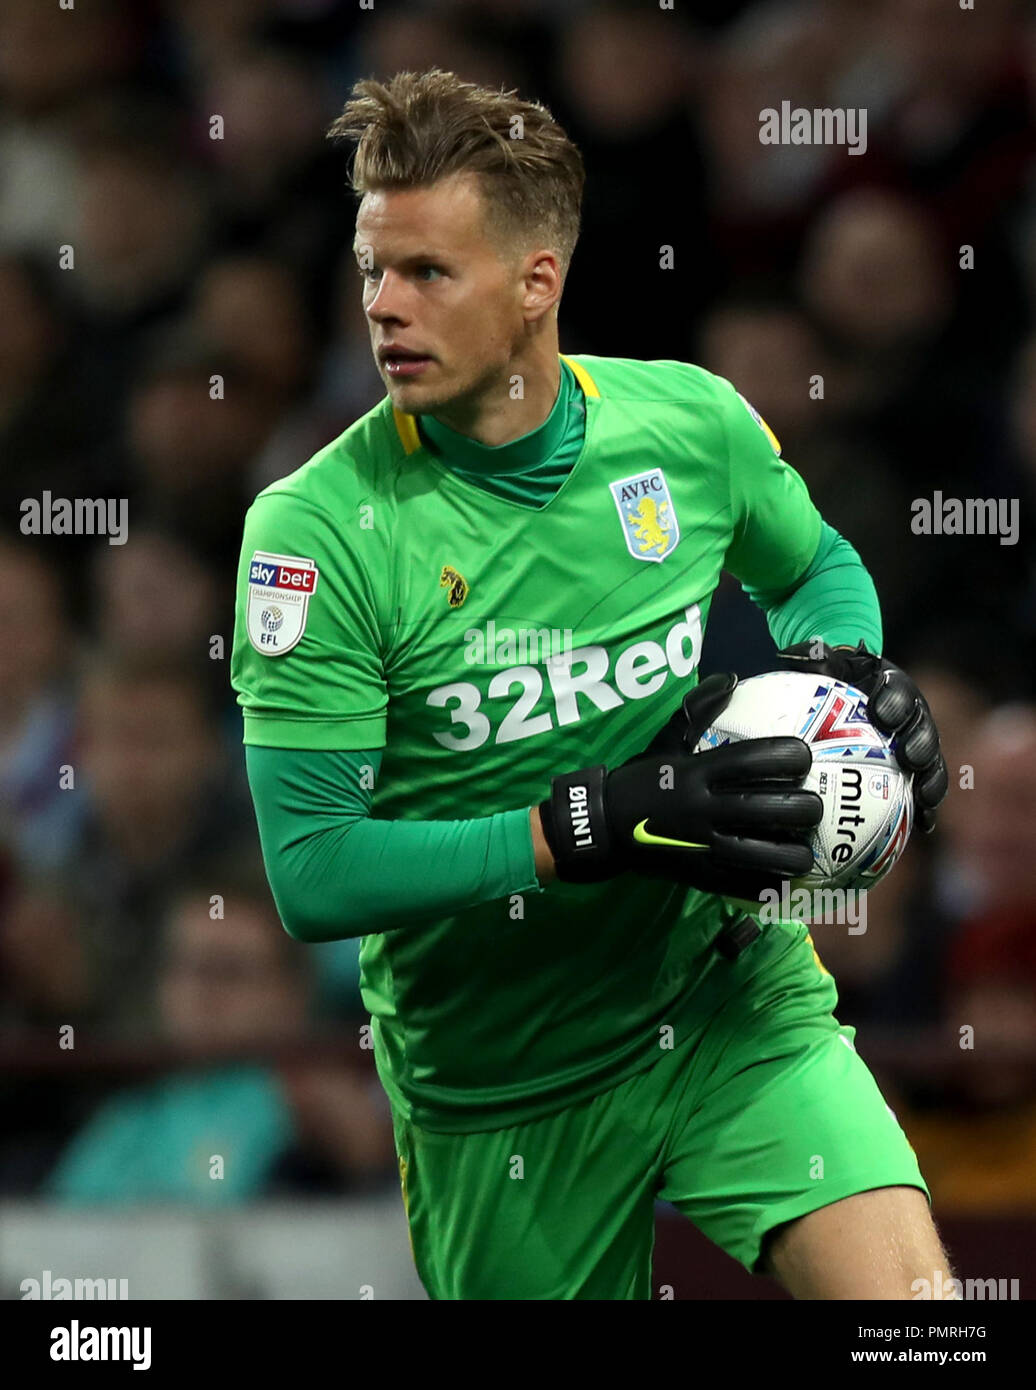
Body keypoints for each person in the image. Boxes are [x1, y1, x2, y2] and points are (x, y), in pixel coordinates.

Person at [231, 69, 949, 1300]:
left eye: (427, 273)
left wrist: (847, 675)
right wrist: (586, 825)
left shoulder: (689, 428)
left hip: (726, 994)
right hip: (498, 1084)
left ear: (535, 285)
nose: (383, 309)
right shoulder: (315, 535)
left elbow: (816, 562)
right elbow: (313, 870)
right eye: (371, 270)